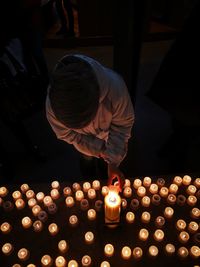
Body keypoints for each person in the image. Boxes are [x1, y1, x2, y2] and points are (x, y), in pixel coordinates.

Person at [46, 54, 134, 191]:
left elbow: (122, 126)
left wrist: (112, 162)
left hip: (109, 134)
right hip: (82, 141)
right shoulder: (54, 105)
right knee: (86, 159)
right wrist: (99, 149)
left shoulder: (116, 91)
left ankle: (103, 170)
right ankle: (88, 178)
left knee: (105, 166)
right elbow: (69, 135)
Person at [147, 1, 200, 172]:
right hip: (186, 60)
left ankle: (182, 147)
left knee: (191, 111)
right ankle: (178, 139)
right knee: (180, 105)